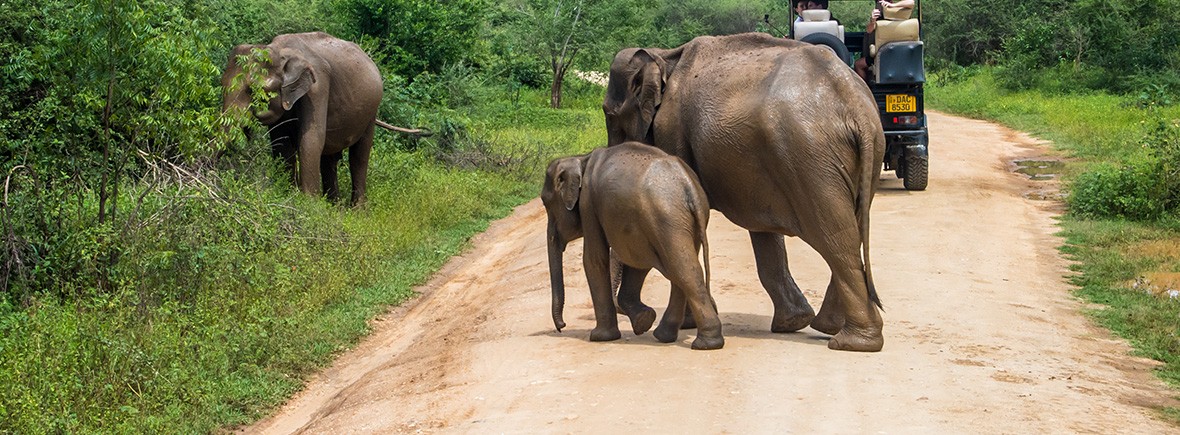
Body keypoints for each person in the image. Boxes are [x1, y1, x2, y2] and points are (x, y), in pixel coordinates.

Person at [855, 0, 915, 81]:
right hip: (902, 56)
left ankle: (864, 91)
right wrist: (873, 20)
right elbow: (869, 30)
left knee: (858, 65)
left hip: (882, 56)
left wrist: (892, 6)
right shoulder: (907, 22)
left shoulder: (897, 13)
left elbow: (911, 2)